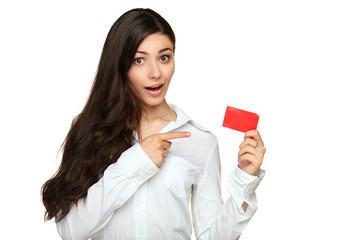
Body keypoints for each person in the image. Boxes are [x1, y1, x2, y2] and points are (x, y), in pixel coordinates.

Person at [41, 8, 266, 240]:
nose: (155, 73)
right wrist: (136, 161)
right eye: (139, 60)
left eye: (164, 57)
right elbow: (70, 232)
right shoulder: (89, 128)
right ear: (120, 66)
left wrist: (245, 179)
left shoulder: (201, 141)